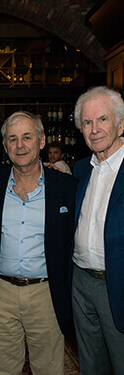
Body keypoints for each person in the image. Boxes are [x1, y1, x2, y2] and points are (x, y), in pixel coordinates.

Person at [0, 111, 77, 375]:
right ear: (4, 145)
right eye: (12, 139)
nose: (20, 145)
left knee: (48, 369)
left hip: (45, 294)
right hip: (1, 293)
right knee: (1, 369)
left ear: (42, 141)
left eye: (27, 137)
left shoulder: (66, 187)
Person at [72, 86, 124, 375]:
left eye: (102, 119)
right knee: (91, 366)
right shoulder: (82, 169)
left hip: (118, 284)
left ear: (121, 123)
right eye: (87, 123)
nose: (94, 129)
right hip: (80, 283)